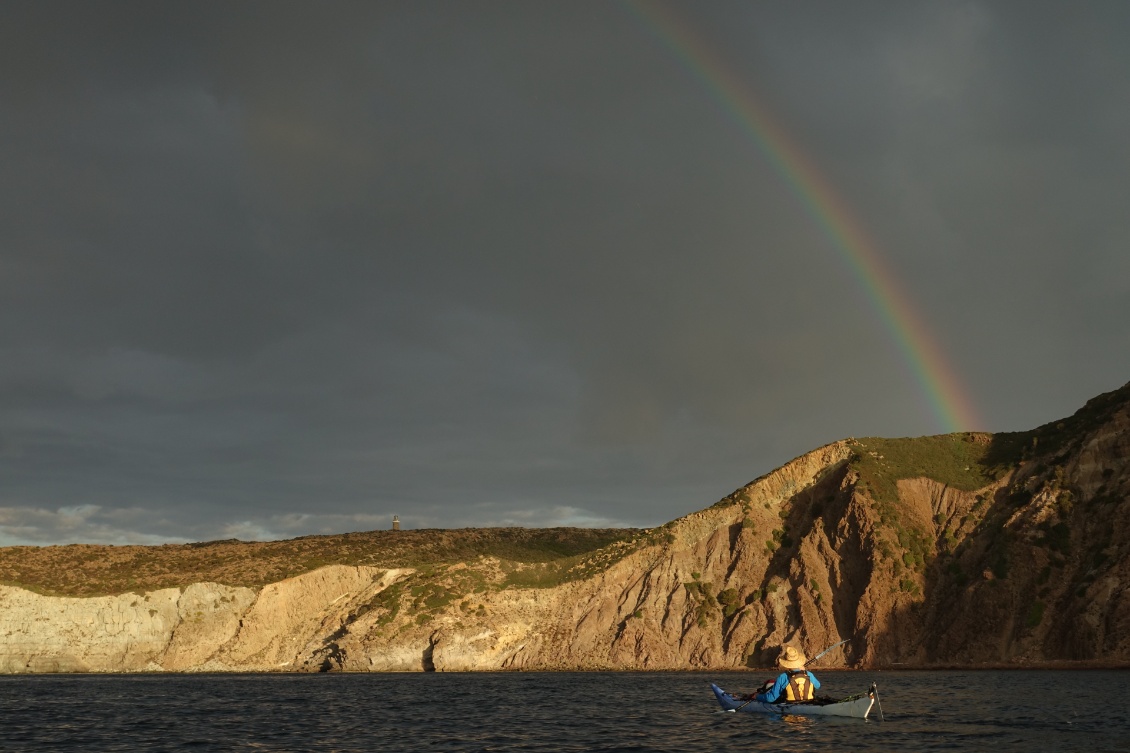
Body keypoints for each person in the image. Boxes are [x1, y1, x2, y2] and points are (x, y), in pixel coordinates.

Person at [754, 645, 820, 703]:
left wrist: (757, 696)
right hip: (809, 702)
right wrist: (804, 671)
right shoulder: (809, 674)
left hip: (790, 705)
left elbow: (770, 698)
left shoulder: (783, 677)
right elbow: (818, 685)